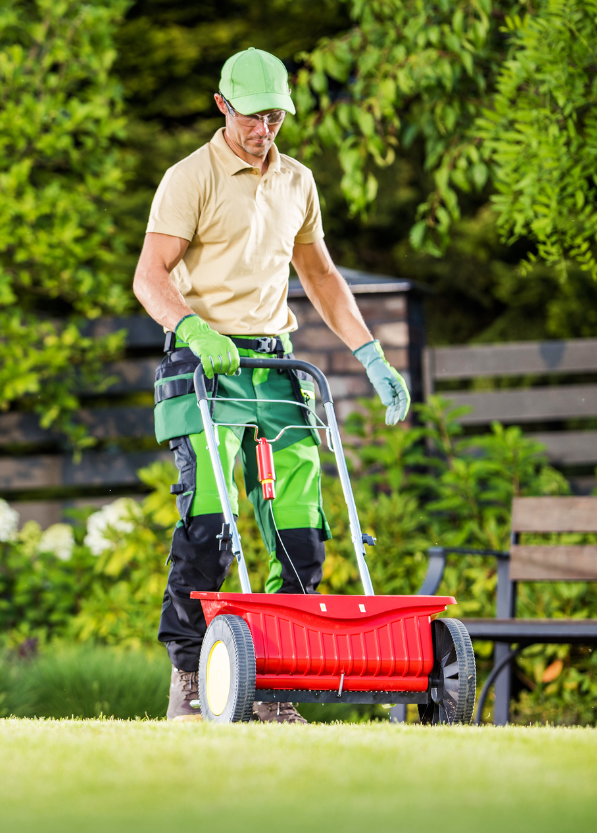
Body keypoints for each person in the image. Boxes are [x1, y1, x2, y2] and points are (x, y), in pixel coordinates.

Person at [131, 47, 410, 724]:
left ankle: (275, 682)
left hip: (276, 367)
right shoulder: (188, 177)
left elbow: (319, 277)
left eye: (276, 118)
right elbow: (150, 276)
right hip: (205, 366)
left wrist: (371, 354)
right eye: (254, 117)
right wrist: (193, 330)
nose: (265, 131)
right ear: (222, 106)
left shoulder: (297, 181)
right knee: (210, 517)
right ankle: (191, 677)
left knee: (300, 526)